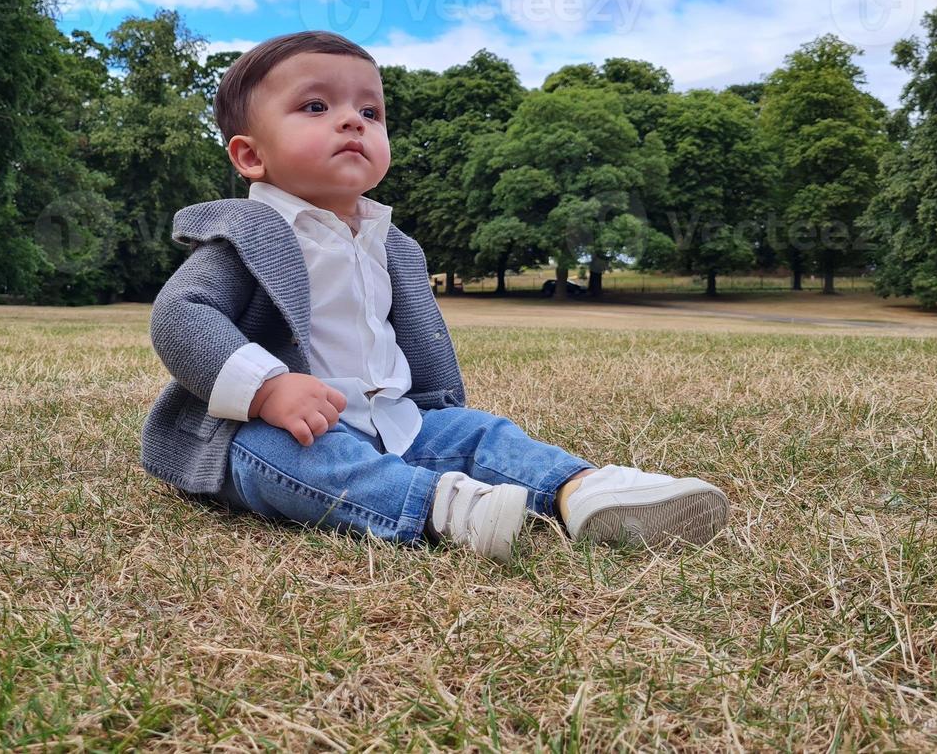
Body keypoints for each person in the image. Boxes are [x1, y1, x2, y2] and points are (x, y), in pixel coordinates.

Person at [140, 31, 728, 563]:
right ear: (250, 155)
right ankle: (439, 507)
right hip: (284, 428)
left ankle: (583, 491)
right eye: (316, 107)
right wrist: (268, 388)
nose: (352, 122)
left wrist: (438, 403)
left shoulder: (393, 245)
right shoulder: (246, 233)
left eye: (370, 111)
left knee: (483, 433)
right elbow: (181, 316)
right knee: (286, 457)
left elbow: (414, 338)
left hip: (399, 420)